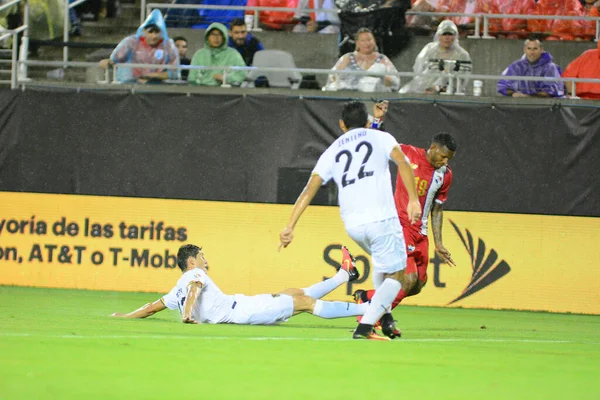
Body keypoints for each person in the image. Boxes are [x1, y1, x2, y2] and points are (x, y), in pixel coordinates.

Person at [279, 101, 422, 340]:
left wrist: (290, 225)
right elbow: (403, 163)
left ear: (341, 125)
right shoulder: (380, 137)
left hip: (353, 224)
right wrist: (414, 200)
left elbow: (309, 188)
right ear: (367, 122)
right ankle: (365, 328)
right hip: (381, 218)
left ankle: (384, 318)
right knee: (399, 275)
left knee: (381, 267)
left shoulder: (332, 150)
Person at [354, 132, 458, 338]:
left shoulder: (445, 175)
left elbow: (437, 208)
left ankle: (367, 297)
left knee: (418, 284)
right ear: (434, 148)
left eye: (449, 159)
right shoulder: (408, 154)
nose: (445, 162)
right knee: (407, 279)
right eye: (443, 156)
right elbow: (380, 142)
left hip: (421, 232)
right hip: (400, 226)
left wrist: (439, 242)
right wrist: (376, 122)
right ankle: (369, 318)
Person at [111, 244, 368, 324]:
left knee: (293, 293)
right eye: (202, 257)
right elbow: (193, 291)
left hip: (243, 304)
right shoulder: (192, 278)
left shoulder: (173, 291)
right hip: (242, 312)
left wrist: (125, 316)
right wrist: (187, 315)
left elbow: (151, 308)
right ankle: (369, 310)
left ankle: (344, 276)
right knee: (305, 303)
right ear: (191, 261)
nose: (206, 261)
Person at [99, 10, 179, 84]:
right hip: (132, 83)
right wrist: (108, 62)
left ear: (161, 31)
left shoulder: (168, 45)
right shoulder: (131, 42)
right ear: (144, 31)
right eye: (150, 32)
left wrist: (152, 75)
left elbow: (175, 73)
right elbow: (114, 60)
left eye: (156, 32)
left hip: (157, 85)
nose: (154, 36)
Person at [399, 20, 472, 94]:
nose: (447, 37)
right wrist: (426, 86)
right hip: (424, 87)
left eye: (450, 34)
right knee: (403, 92)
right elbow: (418, 69)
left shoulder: (462, 54)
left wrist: (441, 87)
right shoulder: (429, 49)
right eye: (444, 34)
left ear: (455, 36)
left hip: (450, 90)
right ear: (439, 36)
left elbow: (462, 77)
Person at [323, 27, 400, 92]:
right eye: (363, 41)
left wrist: (383, 77)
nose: (367, 43)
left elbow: (395, 83)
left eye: (369, 39)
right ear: (357, 43)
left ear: (374, 41)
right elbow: (332, 77)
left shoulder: (383, 59)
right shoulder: (347, 58)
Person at [497, 38, 564, 98]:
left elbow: (549, 92)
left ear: (541, 50)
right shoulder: (516, 66)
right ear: (524, 50)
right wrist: (513, 94)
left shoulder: (550, 68)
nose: (532, 52)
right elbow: (503, 85)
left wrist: (527, 97)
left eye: (535, 49)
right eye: (529, 48)